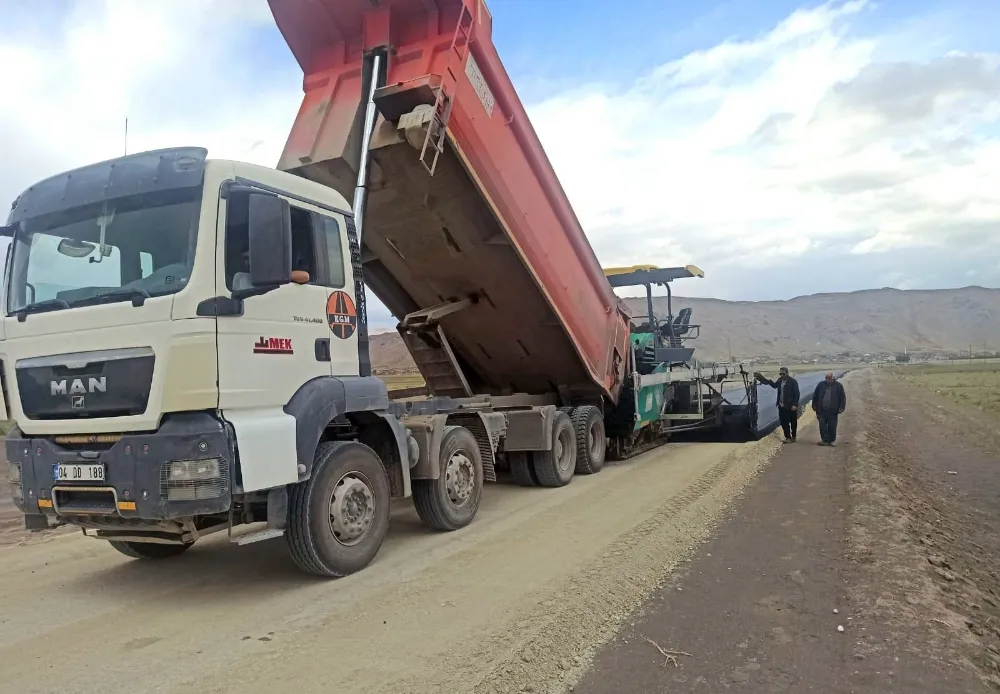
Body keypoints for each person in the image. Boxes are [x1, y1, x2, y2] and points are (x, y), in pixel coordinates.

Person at [754, 367, 800, 443]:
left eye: (783, 374)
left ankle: (794, 436)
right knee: (783, 422)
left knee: (793, 422)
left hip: (791, 406)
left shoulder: (793, 381)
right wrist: (762, 378)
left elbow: (797, 394)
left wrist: (795, 404)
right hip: (781, 405)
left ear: (787, 373)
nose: (781, 375)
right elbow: (774, 385)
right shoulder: (780, 380)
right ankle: (788, 437)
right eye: (780, 374)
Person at [812, 372, 847, 446]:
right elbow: (815, 395)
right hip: (821, 410)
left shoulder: (838, 386)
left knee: (832, 426)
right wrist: (814, 405)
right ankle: (824, 440)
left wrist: (841, 407)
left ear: (833, 378)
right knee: (822, 425)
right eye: (826, 378)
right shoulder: (821, 384)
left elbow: (842, 398)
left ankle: (831, 440)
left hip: (833, 410)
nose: (827, 380)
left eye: (829, 378)